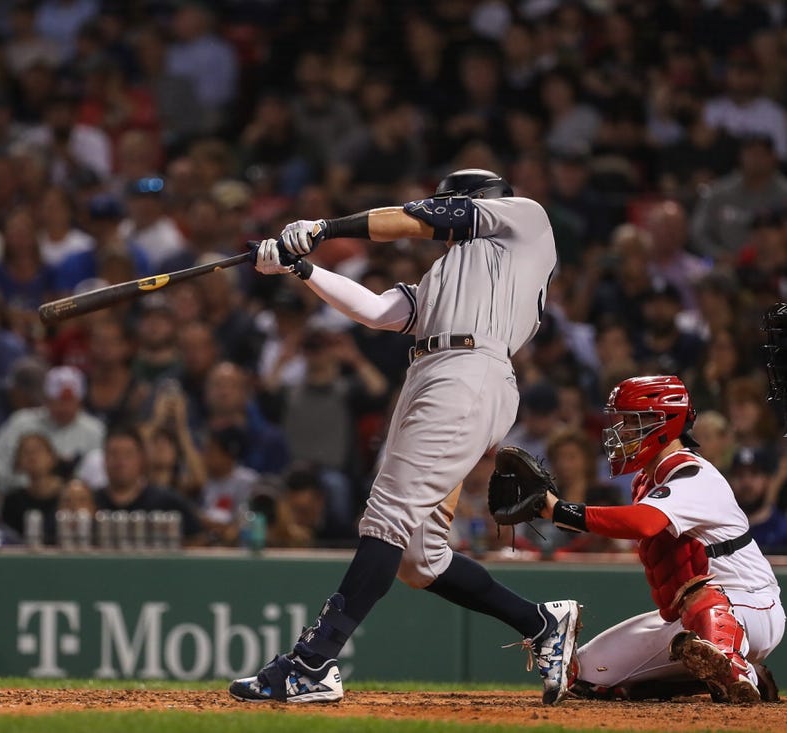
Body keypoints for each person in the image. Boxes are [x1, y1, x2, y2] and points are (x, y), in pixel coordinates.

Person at [230, 169, 579, 705]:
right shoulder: (452, 275)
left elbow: (423, 219)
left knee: (386, 517)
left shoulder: (526, 221)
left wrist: (324, 226)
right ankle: (539, 622)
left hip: (468, 369)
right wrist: (301, 268)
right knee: (420, 558)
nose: (442, 213)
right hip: (434, 370)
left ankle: (312, 663)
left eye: (451, 205)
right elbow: (374, 311)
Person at [530, 376, 784, 703]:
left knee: (700, 597)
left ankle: (738, 672)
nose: (621, 432)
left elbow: (646, 523)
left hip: (752, 607)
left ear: (664, 423)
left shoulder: (695, 475)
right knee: (589, 674)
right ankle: (728, 675)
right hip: (692, 620)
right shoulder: (647, 480)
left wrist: (559, 511)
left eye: (633, 422)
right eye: (621, 421)